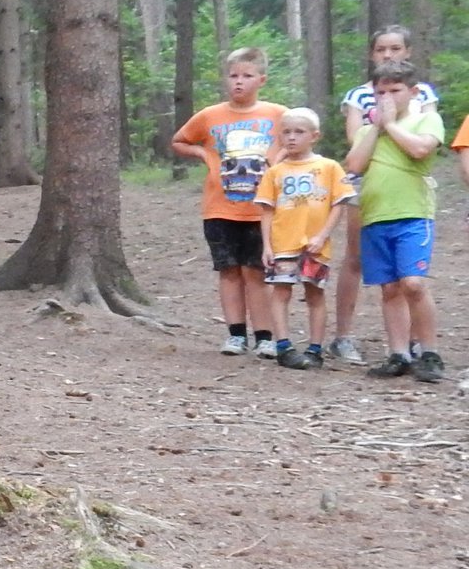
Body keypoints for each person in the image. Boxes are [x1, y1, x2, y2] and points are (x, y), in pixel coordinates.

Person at [329, 26, 442, 365]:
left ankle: (428, 350)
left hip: (412, 212)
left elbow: (421, 150)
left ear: (412, 92)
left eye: (395, 91)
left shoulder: (426, 119)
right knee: (389, 286)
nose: (388, 97)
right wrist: (378, 126)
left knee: (413, 282)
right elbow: (354, 163)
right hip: (375, 213)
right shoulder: (368, 126)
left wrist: (390, 125)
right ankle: (398, 353)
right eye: (381, 92)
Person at [170, 47, 284, 358]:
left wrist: (280, 161)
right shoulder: (210, 116)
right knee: (229, 270)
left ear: (261, 79)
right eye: (233, 75)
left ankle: (265, 337)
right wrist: (202, 152)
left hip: (261, 210)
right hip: (220, 207)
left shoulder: (278, 114)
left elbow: (300, 139)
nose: (239, 82)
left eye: (247, 76)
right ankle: (236, 335)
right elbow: (179, 140)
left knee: (256, 272)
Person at [253, 108, 352, 369]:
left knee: (315, 292)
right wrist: (266, 245)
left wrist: (323, 235)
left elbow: (338, 204)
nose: (292, 137)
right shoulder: (275, 172)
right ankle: (283, 346)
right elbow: (267, 210)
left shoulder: (329, 167)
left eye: (299, 132)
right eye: (286, 132)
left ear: (314, 136)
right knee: (281, 291)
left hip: (315, 245)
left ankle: (315, 349)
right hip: (282, 243)